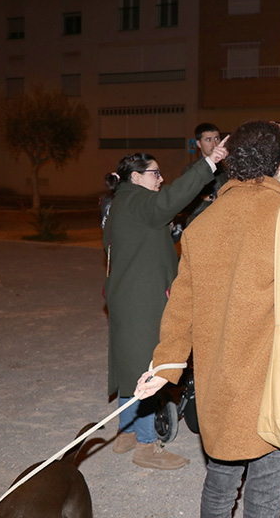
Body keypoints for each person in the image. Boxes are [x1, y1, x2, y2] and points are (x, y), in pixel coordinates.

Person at [135, 120, 280, 517]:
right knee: (265, 496)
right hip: (275, 383)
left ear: (231, 164)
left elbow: (181, 308)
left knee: (219, 483)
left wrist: (165, 366)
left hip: (221, 382)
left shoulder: (202, 225)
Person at [103, 142, 227, 470]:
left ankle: (126, 433)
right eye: (155, 173)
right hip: (142, 301)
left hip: (129, 298)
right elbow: (170, 201)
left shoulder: (122, 203)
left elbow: (139, 238)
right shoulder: (138, 200)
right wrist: (209, 163)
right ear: (135, 177)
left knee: (132, 366)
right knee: (150, 367)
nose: (161, 179)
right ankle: (146, 445)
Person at [178, 122, 230, 231]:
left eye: (216, 138)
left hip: (225, 225)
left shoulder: (228, 168)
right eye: (208, 140)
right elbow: (188, 203)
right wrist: (215, 201)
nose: (214, 144)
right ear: (198, 144)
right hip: (200, 226)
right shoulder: (191, 170)